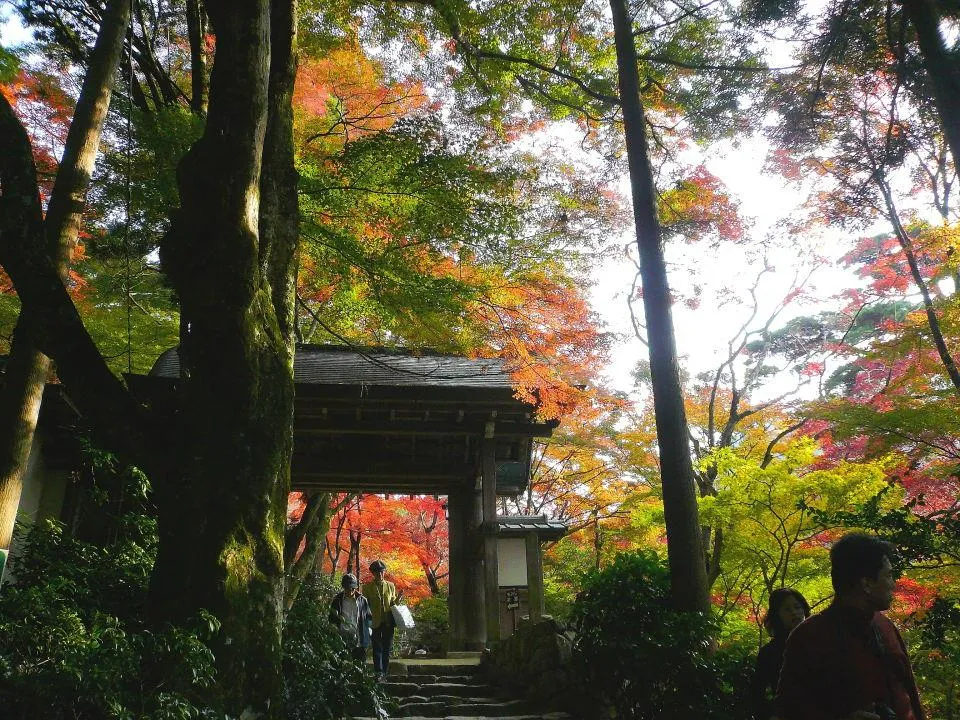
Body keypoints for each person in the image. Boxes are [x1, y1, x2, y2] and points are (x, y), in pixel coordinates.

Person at [774, 534, 925, 720]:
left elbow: (910, 693)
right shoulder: (809, 637)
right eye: (888, 575)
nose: (893, 585)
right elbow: (788, 709)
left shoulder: (886, 626)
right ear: (866, 584)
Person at [750, 588, 810, 720]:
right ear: (777, 615)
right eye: (787, 609)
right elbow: (756, 692)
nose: (794, 613)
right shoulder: (769, 652)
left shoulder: (820, 642)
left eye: (797, 607)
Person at [362, 559, 402, 681]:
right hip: (374, 622)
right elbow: (366, 605)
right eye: (377, 572)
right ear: (373, 573)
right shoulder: (367, 587)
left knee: (387, 648)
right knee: (377, 648)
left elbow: (393, 604)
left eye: (382, 572)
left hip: (388, 621)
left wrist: (399, 598)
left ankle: (385, 672)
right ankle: (378, 672)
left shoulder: (390, 586)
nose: (380, 574)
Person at [328, 573, 372, 663]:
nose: (350, 591)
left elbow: (368, 617)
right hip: (341, 636)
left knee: (360, 665)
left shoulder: (362, 600)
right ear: (344, 587)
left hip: (359, 637)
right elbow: (332, 617)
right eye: (347, 588)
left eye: (352, 588)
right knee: (339, 663)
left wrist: (369, 632)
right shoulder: (337, 600)